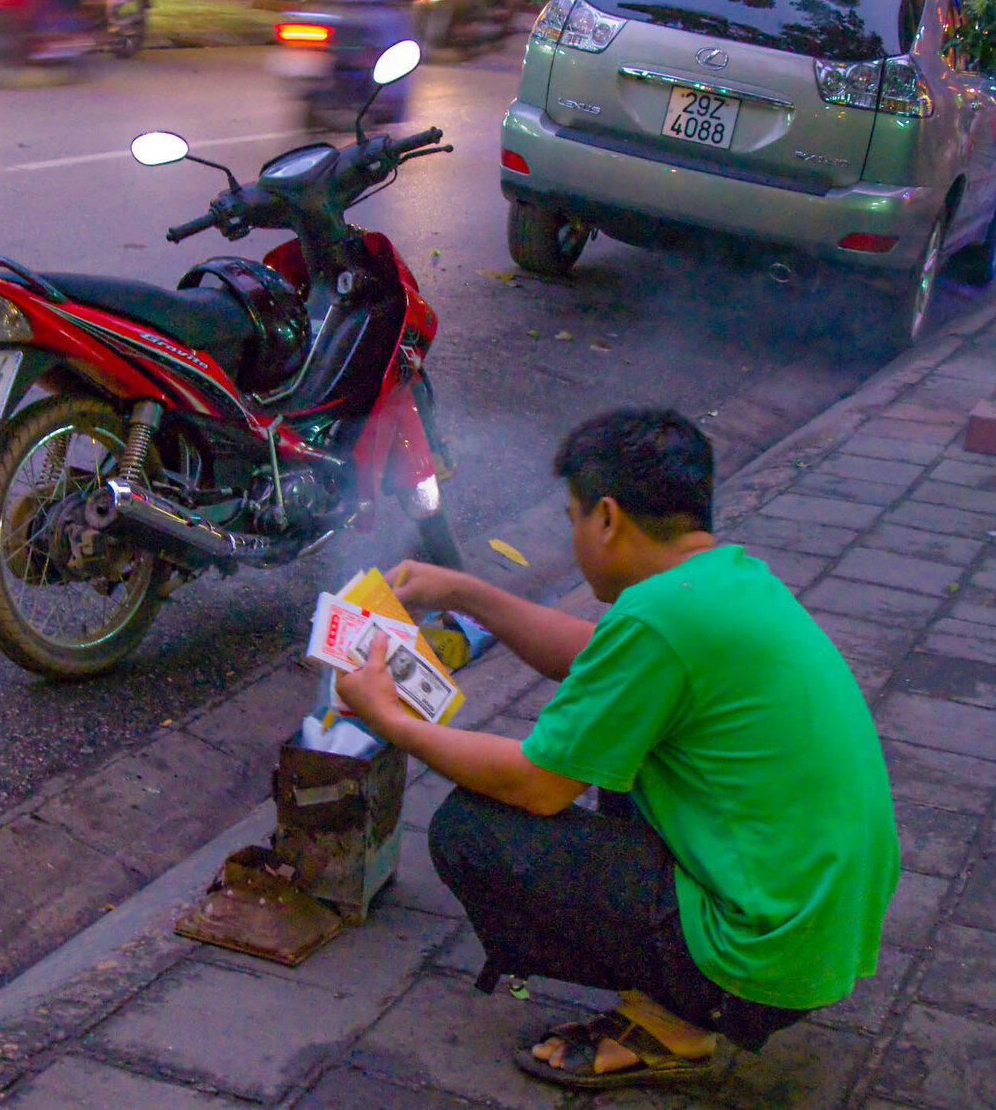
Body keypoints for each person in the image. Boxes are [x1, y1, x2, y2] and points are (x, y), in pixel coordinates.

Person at [335, 408, 899, 1092]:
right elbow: (591, 660)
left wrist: (392, 719)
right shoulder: (721, 582)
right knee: (614, 749)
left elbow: (537, 785)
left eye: (571, 516)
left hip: (763, 956)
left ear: (605, 517)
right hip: (818, 928)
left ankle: (682, 1015)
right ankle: (693, 981)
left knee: (471, 829)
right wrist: (464, 592)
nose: (573, 533)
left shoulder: (661, 618)